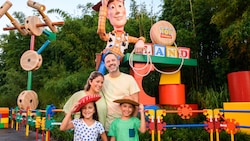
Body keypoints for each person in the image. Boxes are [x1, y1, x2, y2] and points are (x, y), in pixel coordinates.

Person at [92, 0, 146, 74]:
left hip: (118, 58)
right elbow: (101, 31)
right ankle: (99, 78)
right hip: (107, 55)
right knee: (102, 68)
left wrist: (140, 42)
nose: (117, 11)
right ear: (108, 15)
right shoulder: (110, 35)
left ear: (124, 11)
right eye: (112, 7)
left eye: (120, 6)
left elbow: (139, 39)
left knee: (114, 67)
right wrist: (104, 6)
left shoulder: (127, 37)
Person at [101, 52, 140, 133]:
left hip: (127, 125)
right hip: (109, 126)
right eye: (108, 61)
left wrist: (131, 124)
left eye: (113, 60)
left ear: (118, 62)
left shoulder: (129, 79)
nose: (111, 63)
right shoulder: (102, 81)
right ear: (105, 65)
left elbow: (136, 104)